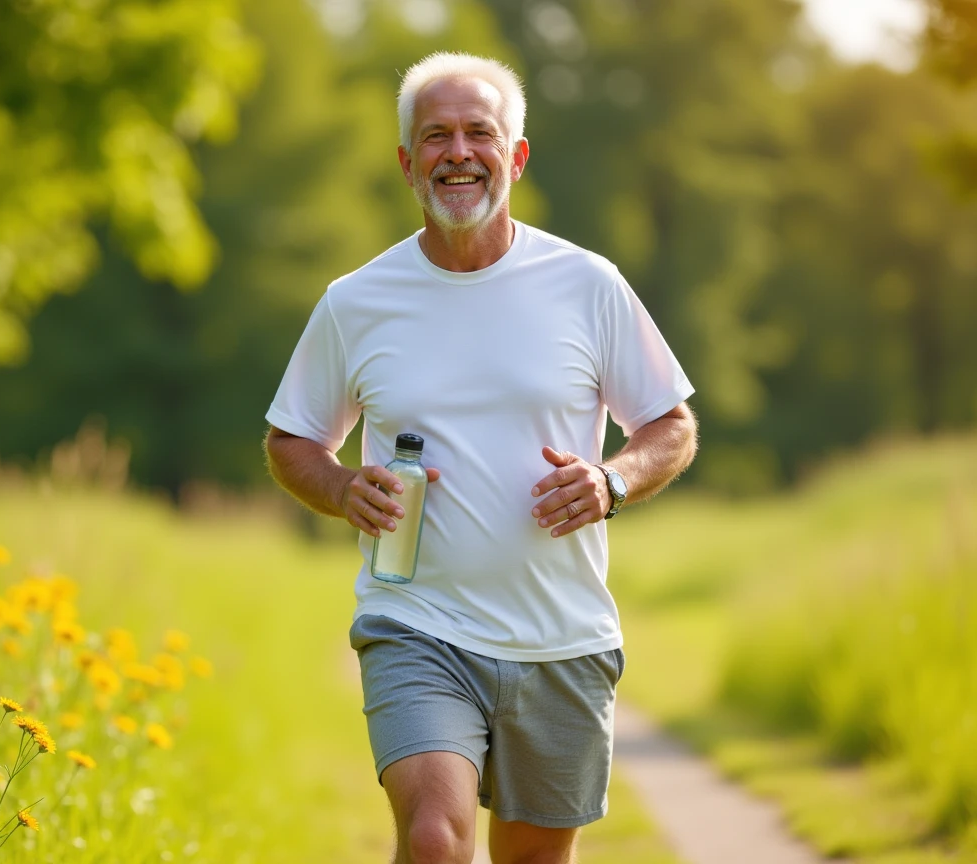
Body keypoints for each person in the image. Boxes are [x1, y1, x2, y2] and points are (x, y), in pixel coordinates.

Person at [263, 51, 698, 864]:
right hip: (416, 624)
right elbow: (291, 440)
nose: (457, 152)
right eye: (435, 136)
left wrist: (612, 481)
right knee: (433, 840)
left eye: (479, 133)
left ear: (517, 156)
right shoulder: (356, 300)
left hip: (559, 635)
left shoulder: (586, 283)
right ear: (406, 162)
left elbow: (670, 426)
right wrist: (341, 488)